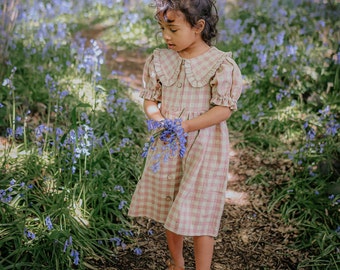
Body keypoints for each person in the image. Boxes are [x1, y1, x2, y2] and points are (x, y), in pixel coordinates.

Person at [128, 0, 243, 269]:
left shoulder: (220, 64)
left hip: (205, 146)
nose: (166, 36)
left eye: (173, 29)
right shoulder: (160, 59)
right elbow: (150, 100)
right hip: (169, 143)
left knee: (203, 207)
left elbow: (223, 110)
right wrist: (159, 120)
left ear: (198, 27)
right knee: (171, 201)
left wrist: (187, 126)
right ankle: (176, 262)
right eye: (162, 29)